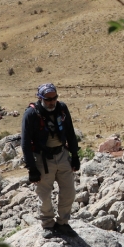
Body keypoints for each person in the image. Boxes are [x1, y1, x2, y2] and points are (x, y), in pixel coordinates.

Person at [21, 83, 80, 239]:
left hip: (62, 155)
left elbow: (70, 132)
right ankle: (48, 224)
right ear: (40, 98)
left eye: (54, 98)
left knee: (69, 193)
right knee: (45, 196)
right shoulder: (31, 114)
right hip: (43, 159)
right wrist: (32, 169)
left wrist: (75, 156)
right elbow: (25, 143)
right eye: (47, 99)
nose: (51, 102)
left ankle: (63, 223)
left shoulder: (62, 109)